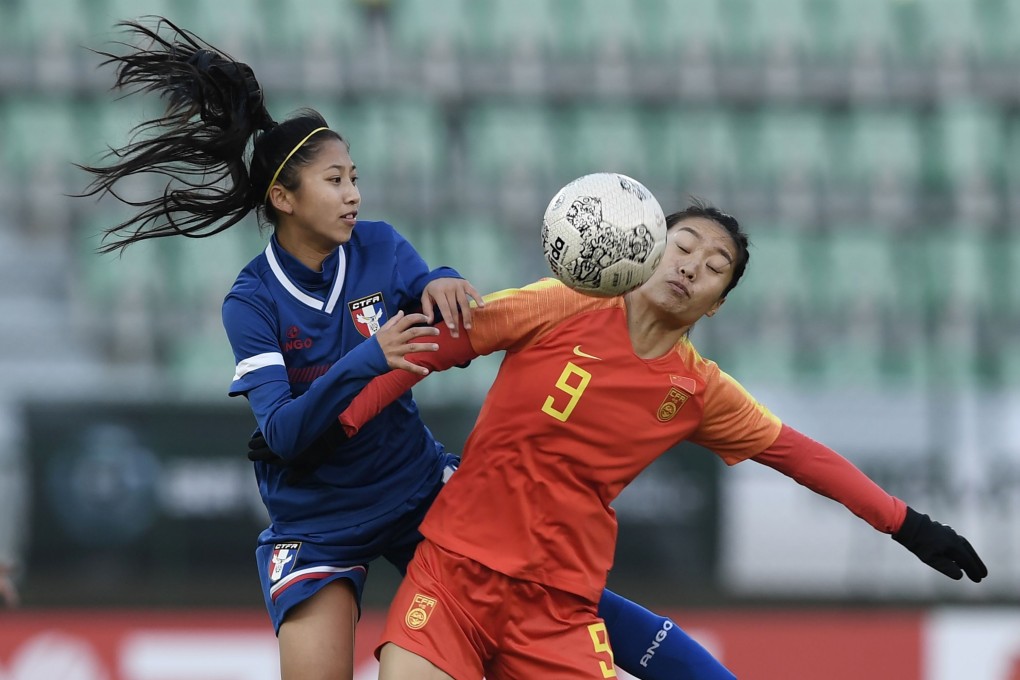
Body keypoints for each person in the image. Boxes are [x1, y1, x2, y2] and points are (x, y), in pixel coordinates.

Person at [77, 18, 734, 680]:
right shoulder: (250, 302)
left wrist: (442, 276)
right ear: (283, 197)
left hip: (415, 488)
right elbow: (283, 433)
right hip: (318, 520)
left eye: (354, 177)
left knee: (550, 592)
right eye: (335, 181)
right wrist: (371, 357)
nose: (354, 194)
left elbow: (431, 294)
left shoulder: (381, 245)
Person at [333, 202, 989, 679]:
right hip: (452, 576)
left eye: (714, 267)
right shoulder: (564, 302)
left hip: (558, 611)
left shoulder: (700, 391)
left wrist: (905, 523)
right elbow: (431, 345)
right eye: (683, 246)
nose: (692, 266)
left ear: (715, 305)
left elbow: (801, 456)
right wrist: (338, 421)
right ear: (648, 248)